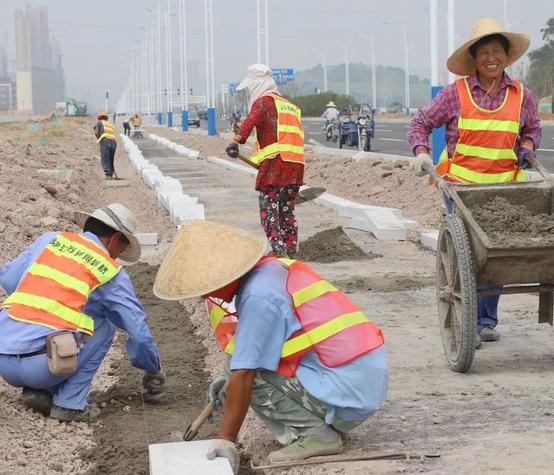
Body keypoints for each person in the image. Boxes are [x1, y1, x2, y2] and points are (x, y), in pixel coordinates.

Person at [153, 221, 388, 473]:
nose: (203, 296)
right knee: (236, 372)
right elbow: (258, 347)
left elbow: (244, 373)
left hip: (349, 393)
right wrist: (227, 377)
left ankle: (317, 435)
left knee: (246, 377)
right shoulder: (273, 270)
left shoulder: (258, 297)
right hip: (358, 380)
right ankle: (320, 421)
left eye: (205, 286)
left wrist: (226, 437)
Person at [407, 18, 542, 344]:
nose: (491, 58)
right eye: (485, 52)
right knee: (469, 252)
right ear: (475, 58)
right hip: (462, 189)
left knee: (494, 252)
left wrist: (526, 148)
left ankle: (484, 320)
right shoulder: (456, 94)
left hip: (503, 188)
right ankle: (466, 318)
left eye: (497, 51)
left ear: (506, 57)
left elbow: (533, 129)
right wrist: (422, 152)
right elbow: (421, 122)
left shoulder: (522, 95)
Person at [0, 204, 166, 423]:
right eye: (120, 250)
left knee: (72, 317)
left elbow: (10, 279)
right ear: (115, 239)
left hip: (4, 359)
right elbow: (138, 331)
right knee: (105, 325)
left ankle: (42, 391)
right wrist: (152, 368)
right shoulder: (108, 269)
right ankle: (69, 403)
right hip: (43, 367)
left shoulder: (51, 239)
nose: (117, 257)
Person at [225, 64, 305, 258]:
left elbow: (251, 122)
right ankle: (290, 251)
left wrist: (235, 141)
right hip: (295, 166)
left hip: (275, 167)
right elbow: (276, 131)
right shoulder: (289, 106)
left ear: (257, 84)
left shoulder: (263, 102)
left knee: (269, 211)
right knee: (286, 211)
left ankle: (278, 253)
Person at [93, 111, 118, 179]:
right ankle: (111, 173)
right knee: (110, 159)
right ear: (106, 118)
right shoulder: (109, 124)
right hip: (113, 142)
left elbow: (96, 131)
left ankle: (108, 175)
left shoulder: (99, 122)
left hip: (105, 141)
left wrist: (98, 138)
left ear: (100, 117)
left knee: (105, 159)